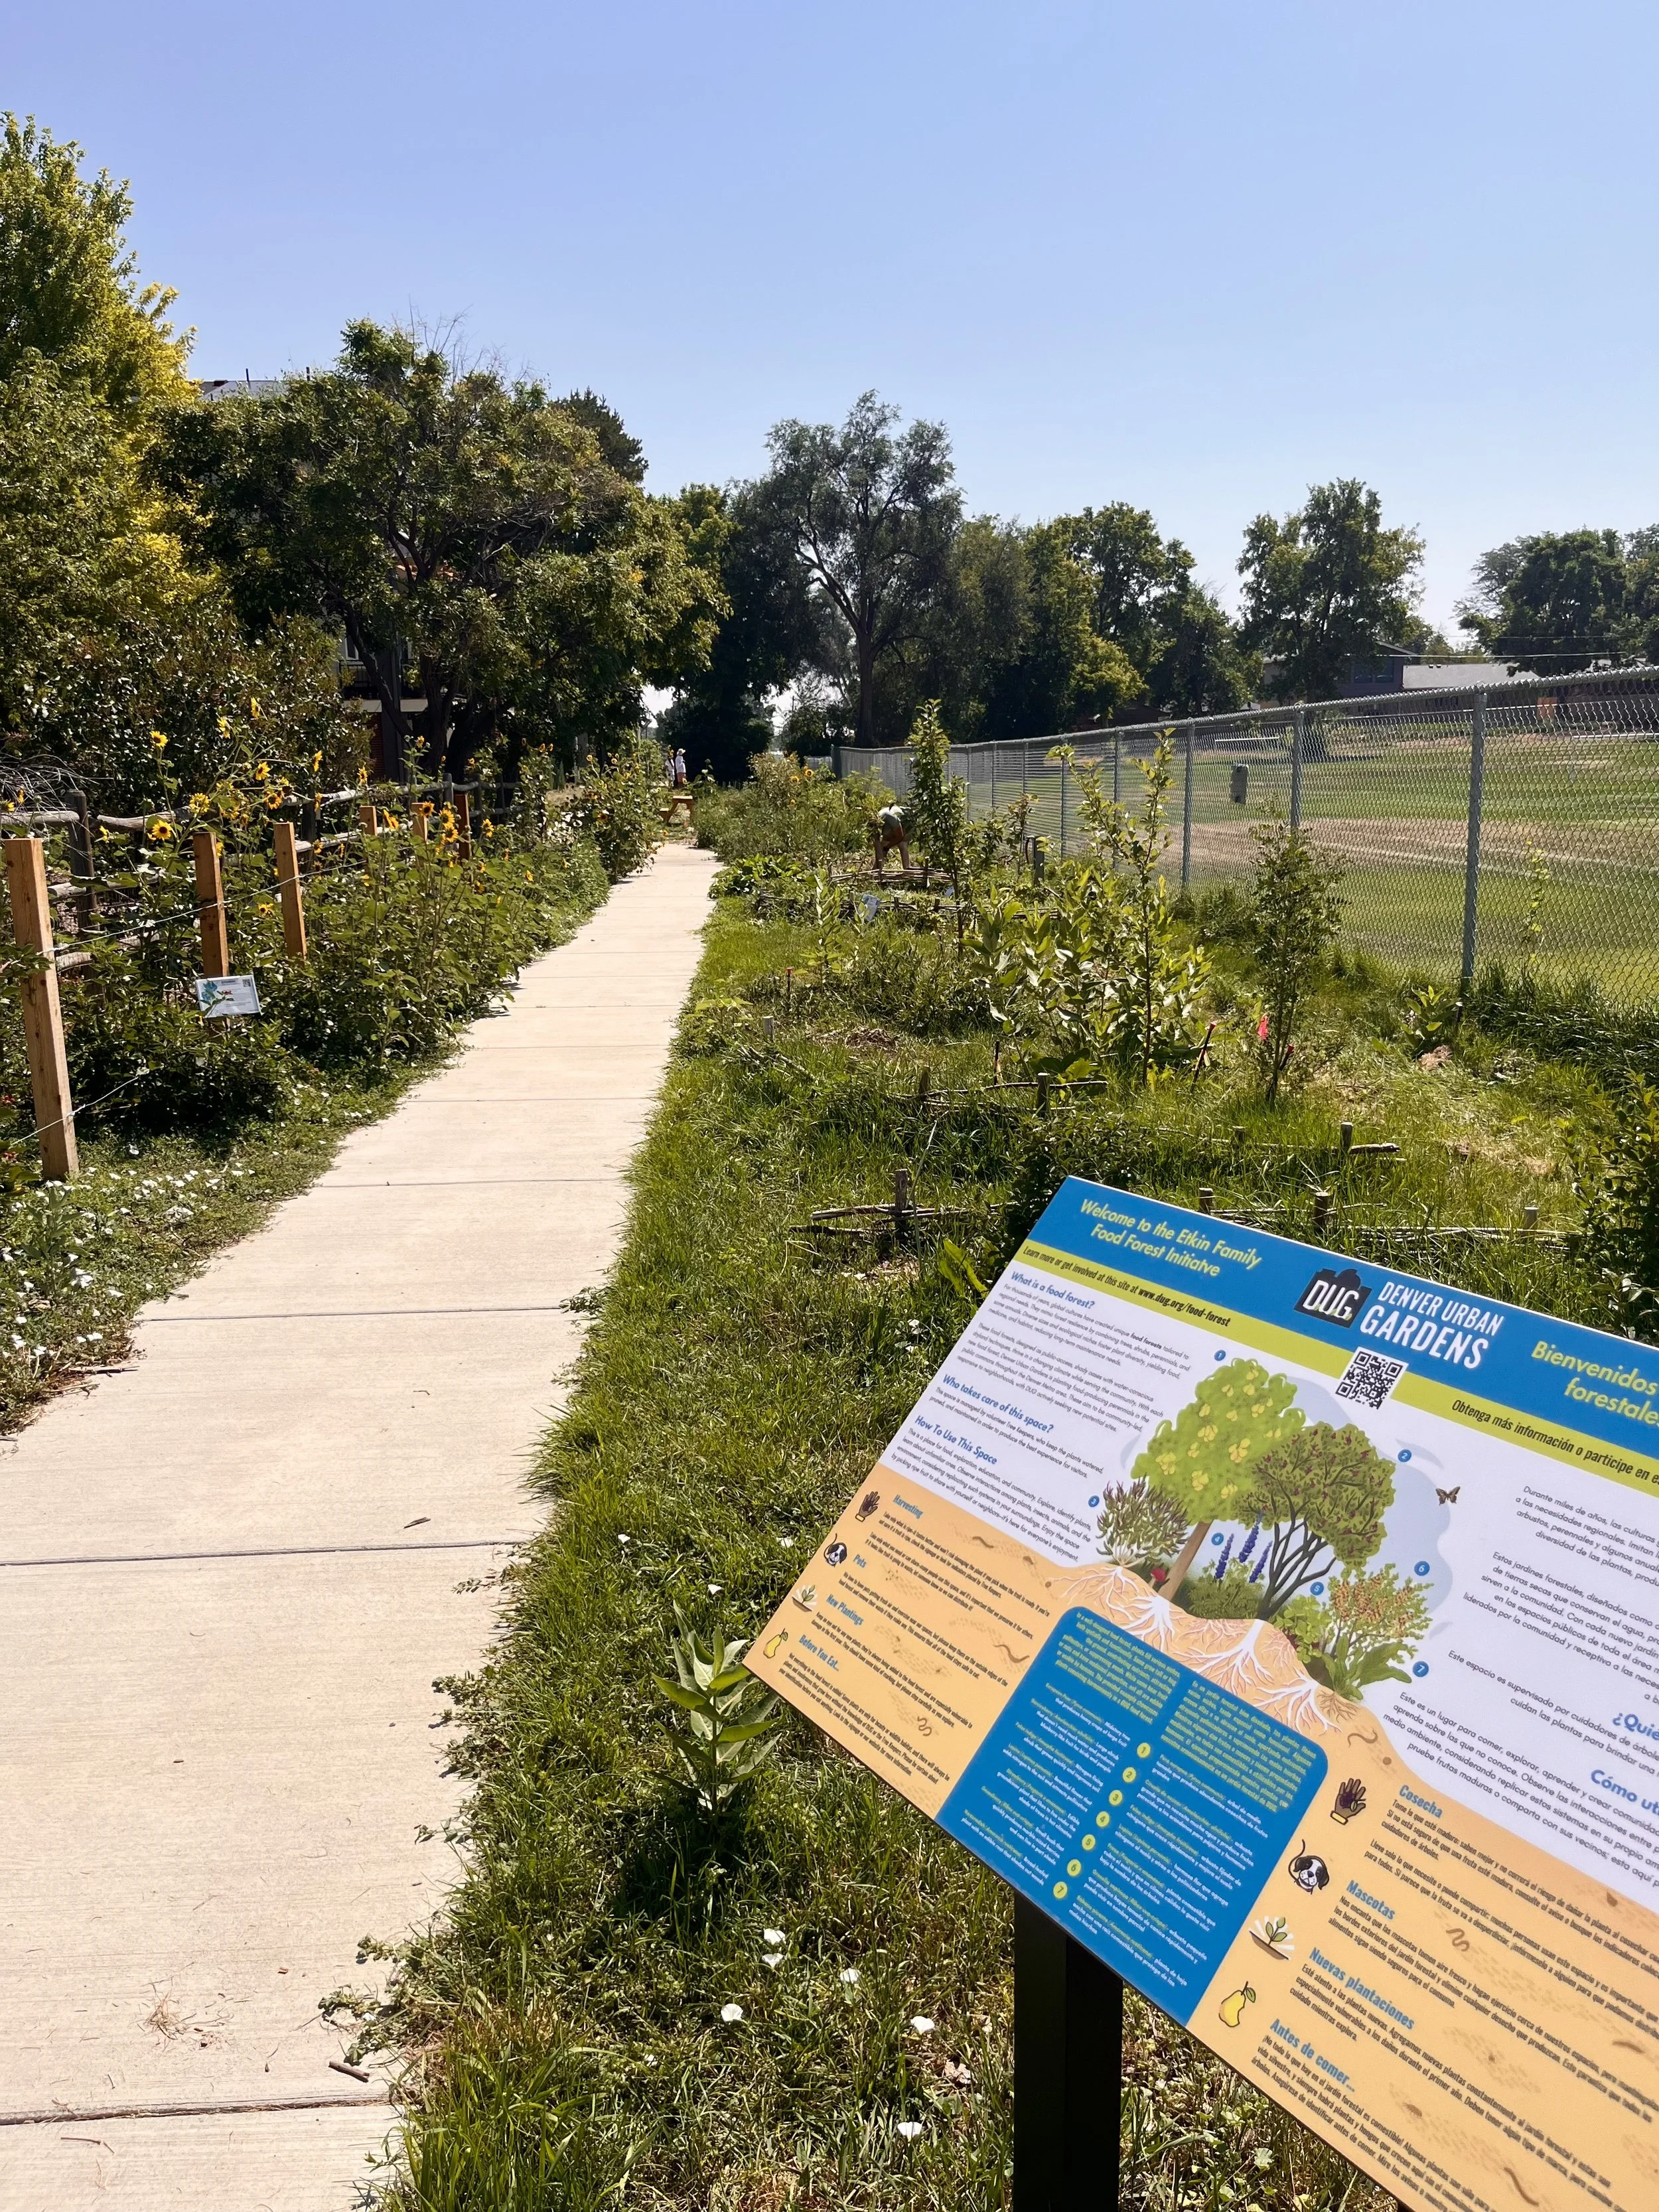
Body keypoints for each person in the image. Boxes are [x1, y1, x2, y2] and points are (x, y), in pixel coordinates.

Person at [871, 802, 911, 876]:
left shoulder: (890, 818)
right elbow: (878, 848)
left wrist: (887, 847)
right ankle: (876, 871)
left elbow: (900, 836)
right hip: (890, 827)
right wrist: (884, 849)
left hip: (904, 823)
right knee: (882, 847)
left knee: (902, 845)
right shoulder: (873, 828)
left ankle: (907, 872)